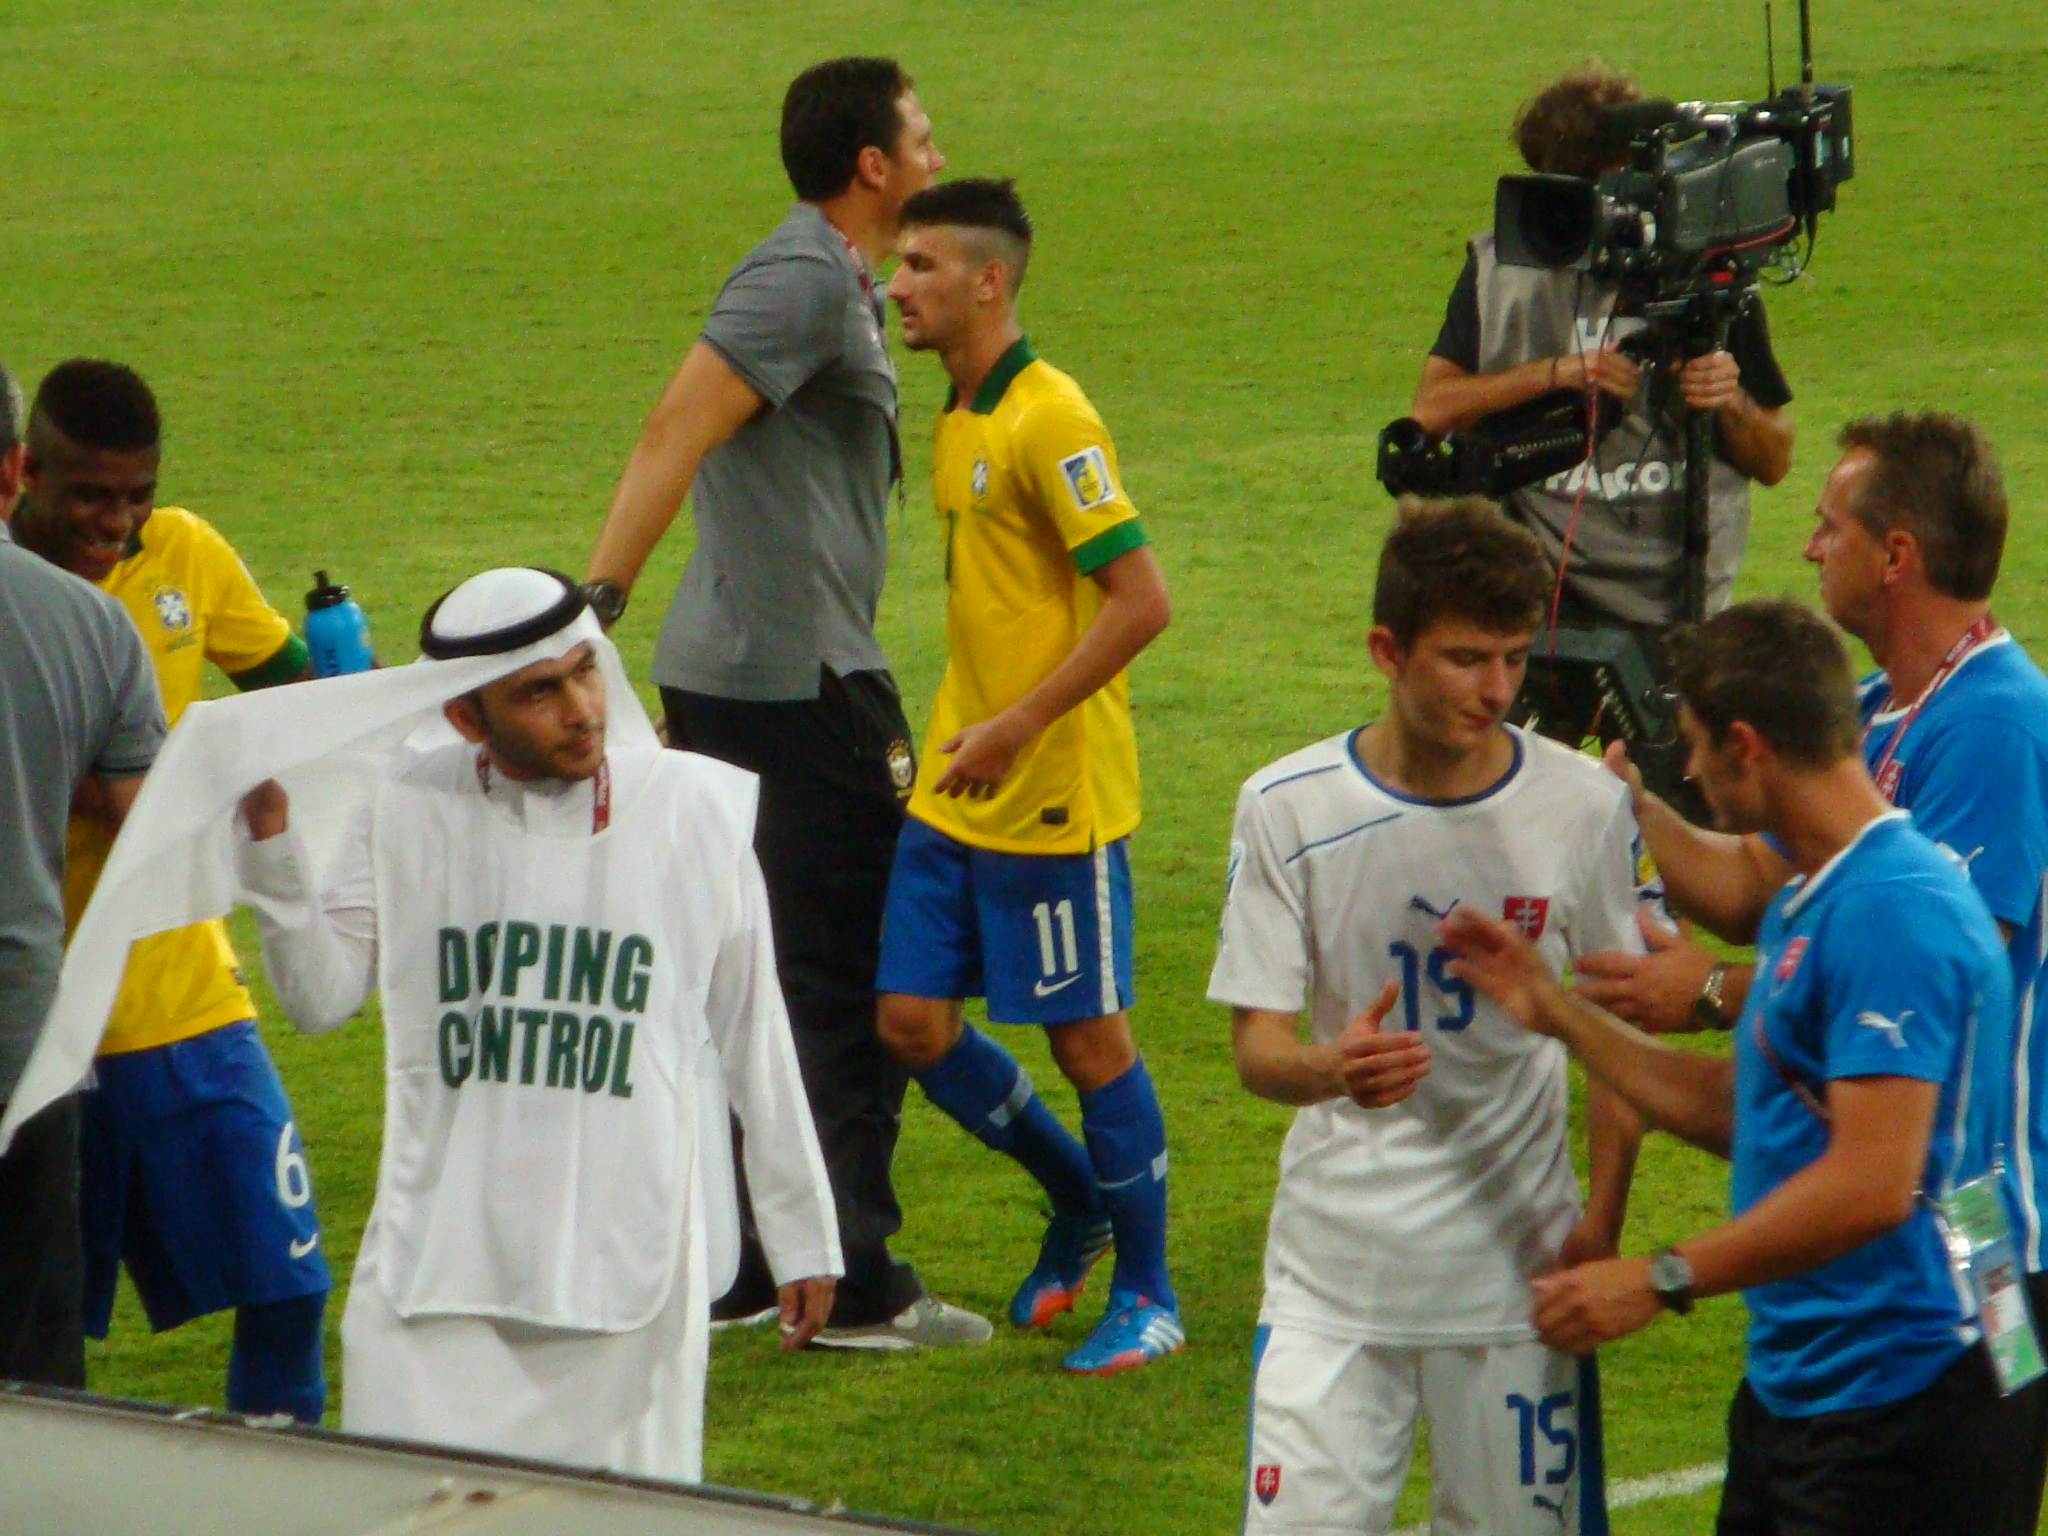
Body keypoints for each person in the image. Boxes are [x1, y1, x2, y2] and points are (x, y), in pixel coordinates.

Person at [220, 568, 840, 1477]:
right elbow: (319, 999)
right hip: (439, 1274)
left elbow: (756, 1034)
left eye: (585, 671)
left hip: (625, 1272)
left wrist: (801, 1234)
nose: (582, 709)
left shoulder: (692, 811)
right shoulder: (406, 807)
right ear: (466, 717)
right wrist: (272, 843)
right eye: (539, 692)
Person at [1440, 599, 2018, 1536]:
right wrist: (1556, 1011)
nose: (1691, 771)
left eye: (1697, 747)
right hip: (1815, 1383)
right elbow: (1745, 1104)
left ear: (1747, 746)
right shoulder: (1817, 895)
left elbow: (1872, 1183)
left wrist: (1658, 1277)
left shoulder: (1894, 912)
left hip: (1909, 1395)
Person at [1572, 413, 2048, 1531]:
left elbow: (1924, 972)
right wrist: (1628, 809)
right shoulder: (1877, 708)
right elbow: (1752, 886)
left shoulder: (1996, 721)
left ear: (1896, 556)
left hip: (1993, 1208)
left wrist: (1707, 995)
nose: (1808, 545)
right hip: (1923, 1197)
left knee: (1968, 1420)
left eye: (1829, 525)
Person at [581, 57, 978, 1347]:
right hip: (796, 684)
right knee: (848, 973)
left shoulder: (837, 280)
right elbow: (673, 428)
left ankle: (757, 1261)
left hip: (763, 670)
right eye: (920, 137)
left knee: (763, 963)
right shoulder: (800, 276)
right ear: (871, 164)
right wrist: (594, 606)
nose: (934, 154)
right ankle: (851, 1278)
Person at [1210, 499, 1651, 1534]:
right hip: (1332, 1290)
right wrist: (1332, 1068)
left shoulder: (1583, 806)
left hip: (1516, 1290)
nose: (1497, 690)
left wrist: (1603, 1220)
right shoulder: (1286, 808)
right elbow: (1258, 1050)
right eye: (1464, 659)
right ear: (1387, 651)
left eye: (1513, 658)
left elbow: (1618, 1038)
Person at [874, 178, 1178, 1372]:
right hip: (959, 777)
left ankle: (1147, 1295)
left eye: (920, 266)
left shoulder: (1051, 420)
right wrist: (980, 730)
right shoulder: (958, 412)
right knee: (910, 1022)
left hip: (1050, 788)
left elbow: (1141, 601)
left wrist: (1017, 724)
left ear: (987, 281)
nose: (896, 286)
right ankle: (1077, 1197)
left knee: (1088, 1043)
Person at [10, 358, 328, 1422]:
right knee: (41, 1335)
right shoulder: (22, 608)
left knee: (288, 1286)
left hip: (182, 988)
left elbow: (293, 685)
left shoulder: (185, 552)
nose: (117, 523)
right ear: (25, 473)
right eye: (89, 496)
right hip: (42, 1009)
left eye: (136, 496)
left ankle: (264, 1487)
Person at [1409, 65, 1796, 633]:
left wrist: (1727, 399)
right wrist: (1556, 374)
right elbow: (1430, 412)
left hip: (1678, 608)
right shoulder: (1502, 268)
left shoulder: (1704, 266)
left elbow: (1775, 459)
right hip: (1540, 601)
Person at [0, 359, 166, 1388]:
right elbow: (157, 831)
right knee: (32, 1388)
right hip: (23, 1053)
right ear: (14, 469)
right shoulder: (95, 627)